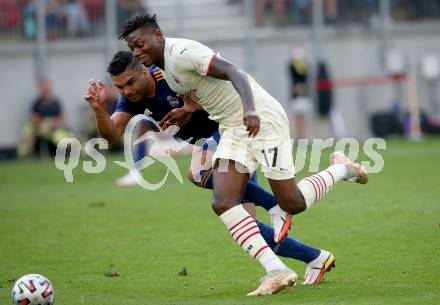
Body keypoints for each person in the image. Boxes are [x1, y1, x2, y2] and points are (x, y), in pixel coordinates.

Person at [119, 13, 368, 295]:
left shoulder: (183, 53)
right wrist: (186, 108)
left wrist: (250, 109)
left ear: (158, 37)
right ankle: (277, 270)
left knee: (293, 202)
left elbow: (233, 72)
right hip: (233, 129)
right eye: (132, 49)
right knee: (223, 201)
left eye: (140, 45)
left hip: (260, 118)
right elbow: (195, 89)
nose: (137, 53)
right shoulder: (166, 68)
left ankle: (342, 168)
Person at [85, 50, 336, 286]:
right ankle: (315, 257)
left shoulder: (169, 73)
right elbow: (110, 136)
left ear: (144, 72)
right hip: (212, 143)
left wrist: (194, 106)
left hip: (229, 128)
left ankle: (275, 212)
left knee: (197, 172)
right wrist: (99, 110)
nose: (126, 91)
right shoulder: (130, 100)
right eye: (119, 87)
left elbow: (220, 86)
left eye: (129, 83)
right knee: (247, 226)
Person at [18, 79, 73, 157]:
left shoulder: (55, 103)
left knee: (63, 136)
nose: (44, 89)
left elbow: (62, 118)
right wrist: (43, 123)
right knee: (27, 131)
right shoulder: (36, 103)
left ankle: (68, 151)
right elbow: (33, 118)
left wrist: (53, 123)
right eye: (42, 87)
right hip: (39, 128)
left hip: (54, 129)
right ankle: (25, 154)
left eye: (46, 87)